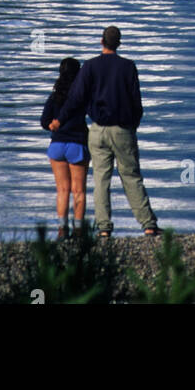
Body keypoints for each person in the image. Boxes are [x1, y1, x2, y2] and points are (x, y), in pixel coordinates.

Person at [50, 26, 160, 237]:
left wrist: (59, 120)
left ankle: (103, 228)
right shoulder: (128, 67)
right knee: (131, 176)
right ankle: (148, 224)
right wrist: (133, 125)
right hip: (122, 129)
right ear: (119, 44)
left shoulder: (90, 67)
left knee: (101, 179)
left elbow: (75, 98)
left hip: (97, 130)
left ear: (102, 42)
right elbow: (137, 103)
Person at [40, 56, 90, 238]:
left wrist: (53, 125)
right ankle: (78, 230)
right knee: (79, 191)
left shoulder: (54, 97)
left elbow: (44, 121)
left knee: (62, 190)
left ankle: (62, 229)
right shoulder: (82, 96)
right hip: (77, 144)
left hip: (57, 145)